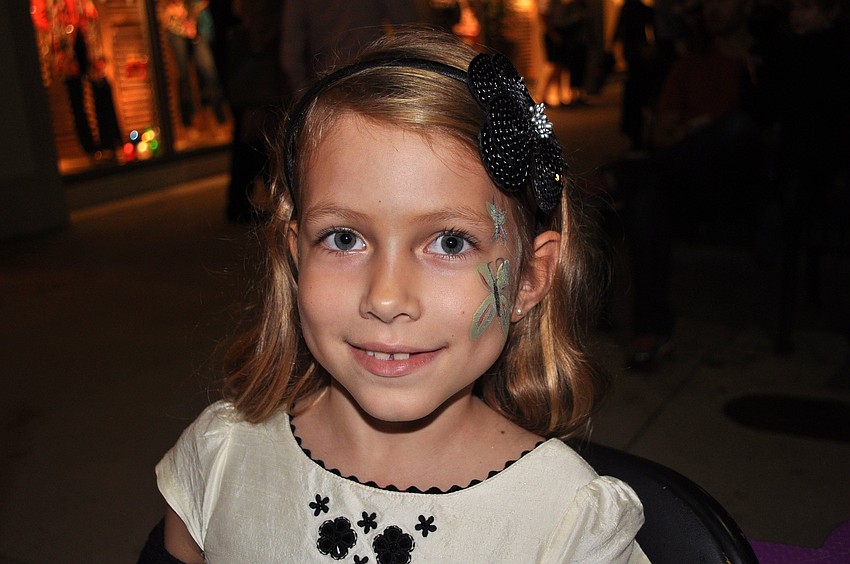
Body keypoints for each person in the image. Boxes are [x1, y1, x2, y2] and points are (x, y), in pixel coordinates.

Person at [142, 29, 648, 562]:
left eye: (450, 242)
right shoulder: (219, 457)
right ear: (296, 258)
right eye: (344, 238)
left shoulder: (567, 525)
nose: (385, 299)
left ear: (528, 279)